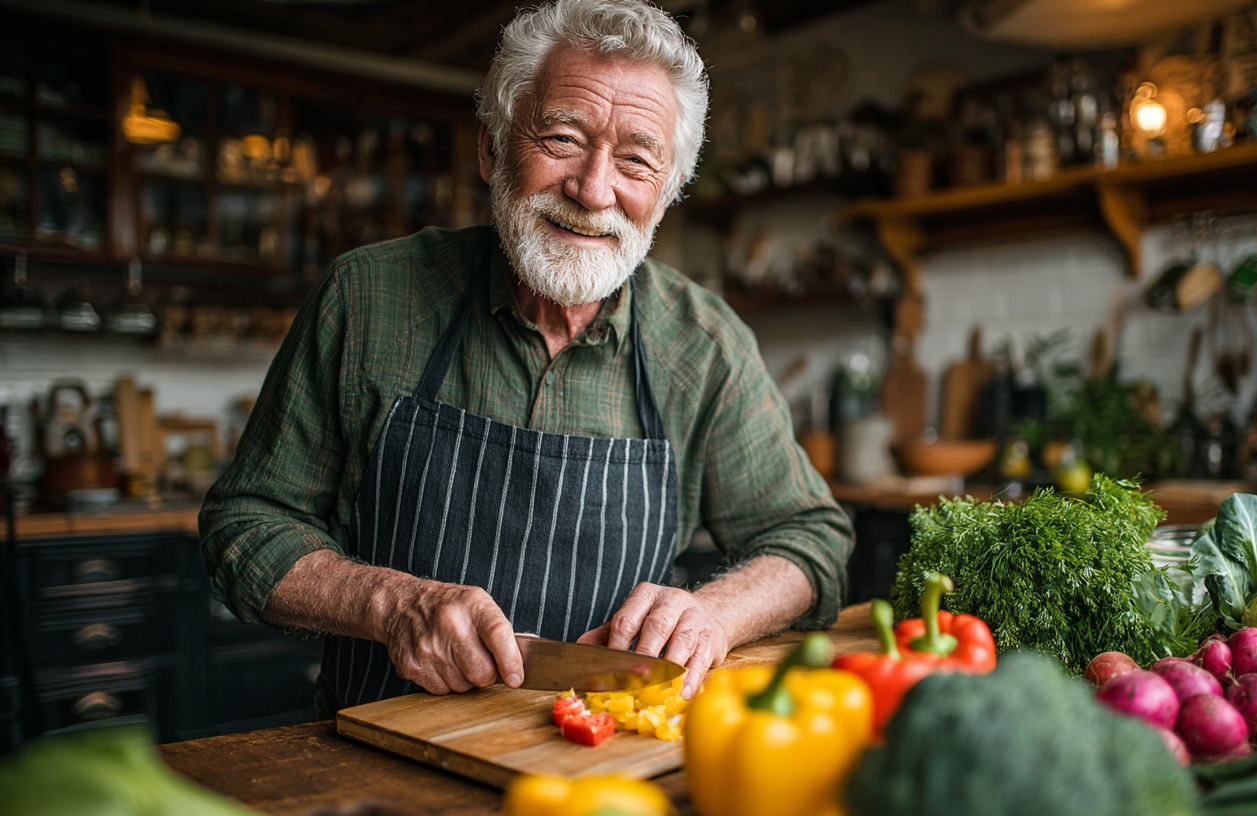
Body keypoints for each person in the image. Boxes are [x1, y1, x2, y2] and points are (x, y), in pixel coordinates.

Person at [198, 0, 853, 713]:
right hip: (373, 746)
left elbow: (810, 538)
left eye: (636, 161)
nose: (593, 190)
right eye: (563, 139)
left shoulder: (704, 344)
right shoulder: (366, 298)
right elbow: (245, 525)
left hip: (603, 754)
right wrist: (390, 604)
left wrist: (714, 614)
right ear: (492, 149)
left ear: (664, 195)